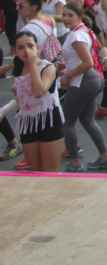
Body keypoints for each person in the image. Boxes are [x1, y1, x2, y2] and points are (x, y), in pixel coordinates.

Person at [58, 3, 107, 171]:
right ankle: (104, 156)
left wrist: (67, 75)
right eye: (64, 15)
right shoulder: (84, 31)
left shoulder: (76, 36)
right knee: (87, 120)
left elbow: (87, 62)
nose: (66, 18)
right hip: (93, 80)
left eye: (70, 15)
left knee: (66, 122)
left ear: (79, 17)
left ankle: (74, 163)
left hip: (83, 81)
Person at [10, 29, 64, 172]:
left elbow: (38, 92)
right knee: (35, 172)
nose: (26, 51)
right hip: (28, 123)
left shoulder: (48, 67)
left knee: (50, 172)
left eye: (30, 46)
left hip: (49, 120)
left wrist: (33, 65)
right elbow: (23, 97)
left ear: (37, 48)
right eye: (20, 48)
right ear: (14, 51)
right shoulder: (18, 70)